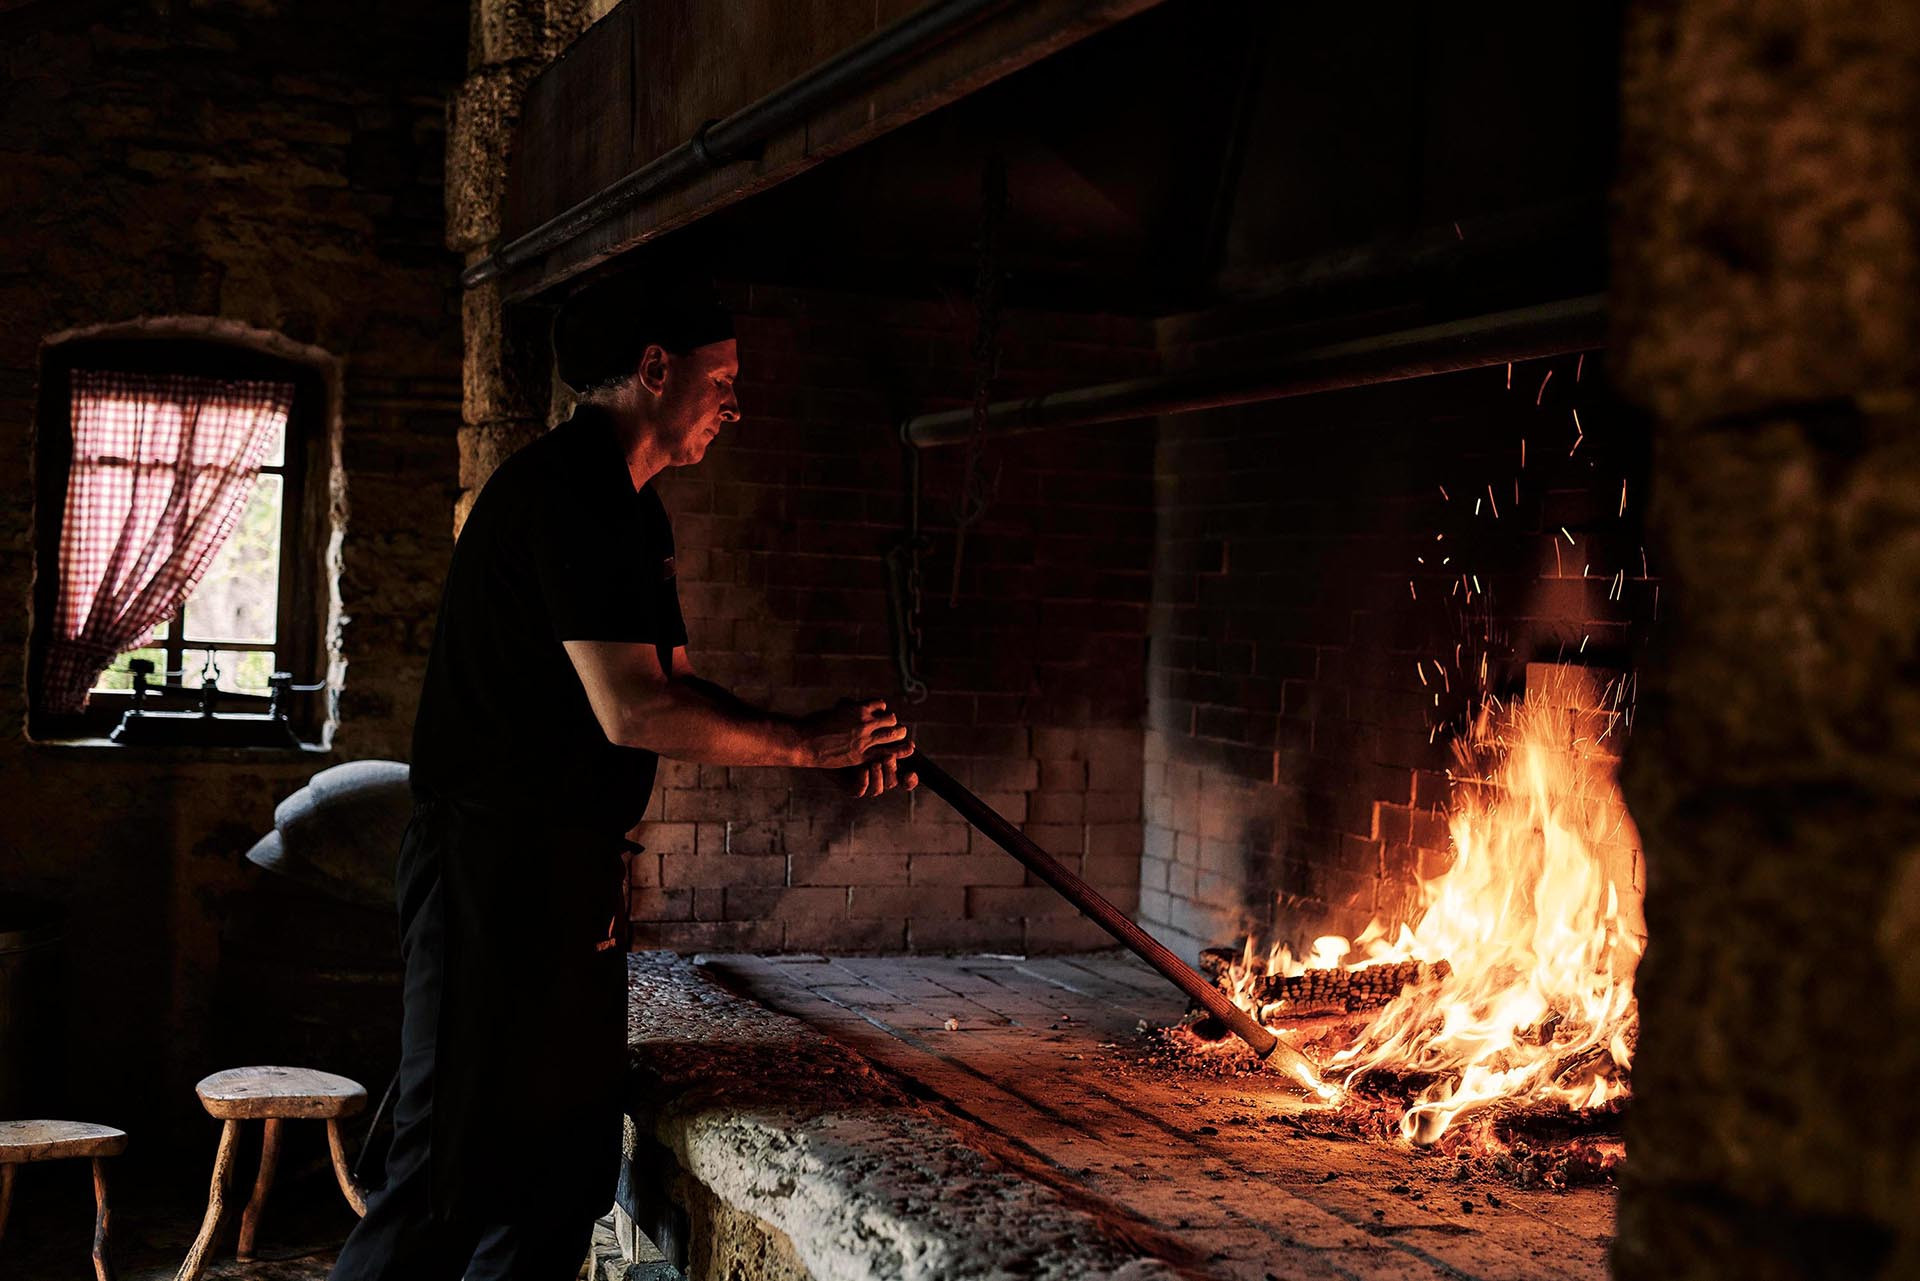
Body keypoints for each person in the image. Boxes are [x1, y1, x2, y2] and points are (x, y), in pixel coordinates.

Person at [328, 276, 916, 1280]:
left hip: (570, 876)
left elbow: (671, 685)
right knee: (446, 1177)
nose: (735, 405)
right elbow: (633, 711)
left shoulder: (634, 513)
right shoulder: (567, 493)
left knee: (560, 1177)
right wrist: (800, 743)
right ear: (654, 369)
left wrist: (822, 746)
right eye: (722, 381)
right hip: (491, 872)